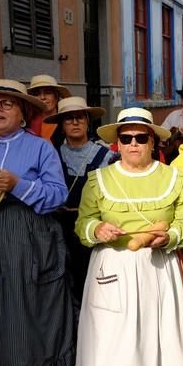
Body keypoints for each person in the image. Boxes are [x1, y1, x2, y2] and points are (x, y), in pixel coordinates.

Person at [74, 107, 183, 366]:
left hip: (158, 267)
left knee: (159, 341)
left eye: (140, 138)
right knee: (111, 344)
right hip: (112, 266)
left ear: (153, 142)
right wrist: (97, 230)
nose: (133, 144)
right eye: (126, 138)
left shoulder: (174, 178)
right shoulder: (98, 180)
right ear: (117, 143)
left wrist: (169, 236)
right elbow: (83, 222)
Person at [0, 79, 74, 366]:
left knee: (26, 314)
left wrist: (18, 184)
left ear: (22, 113)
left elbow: (58, 195)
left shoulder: (39, 147)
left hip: (28, 240)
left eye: (7, 103)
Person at [44, 96, 114, 315]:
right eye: (68, 119)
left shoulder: (107, 156)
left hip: (92, 231)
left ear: (87, 122)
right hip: (58, 231)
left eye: (79, 118)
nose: (74, 123)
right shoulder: (50, 155)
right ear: (62, 126)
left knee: (92, 284)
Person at [27, 74, 73, 142]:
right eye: (37, 94)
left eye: (48, 92)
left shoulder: (68, 120)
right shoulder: (26, 122)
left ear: (56, 96)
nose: (42, 97)